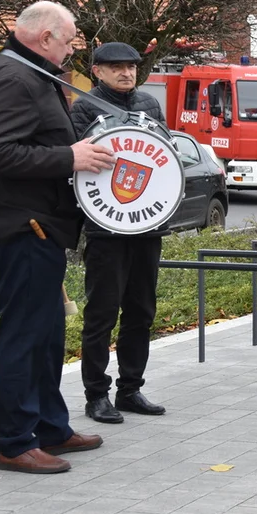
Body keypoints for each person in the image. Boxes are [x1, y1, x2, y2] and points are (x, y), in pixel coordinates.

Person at [0, 1, 113, 473]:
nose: (71, 50)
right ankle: (15, 440)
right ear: (44, 37)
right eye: (68, 41)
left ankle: (50, 427)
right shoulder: (11, 76)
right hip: (21, 224)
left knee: (46, 334)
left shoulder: (24, 70)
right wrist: (69, 158)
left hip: (39, 223)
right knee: (25, 335)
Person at [70, 41, 169, 423]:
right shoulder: (83, 108)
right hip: (105, 227)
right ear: (97, 71)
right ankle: (96, 395)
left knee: (141, 311)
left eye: (131, 66)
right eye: (116, 67)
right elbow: (79, 166)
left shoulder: (149, 104)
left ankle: (131, 389)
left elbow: (162, 159)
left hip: (146, 225)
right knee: (102, 314)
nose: (126, 73)